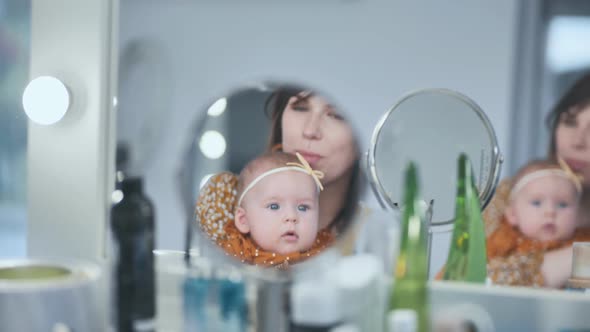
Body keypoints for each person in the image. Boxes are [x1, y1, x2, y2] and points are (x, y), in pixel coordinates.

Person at [485, 72, 590, 288]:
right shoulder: (512, 193)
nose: (578, 141)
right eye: (569, 122)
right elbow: (463, 281)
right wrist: (571, 260)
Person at [265, 85, 363, 242]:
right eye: (301, 108)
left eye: (337, 115)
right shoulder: (223, 204)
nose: (310, 131)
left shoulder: (385, 235)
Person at [486, 159, 590, 286]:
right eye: (537, 203)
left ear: (577, 216)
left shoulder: (583, 243)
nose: (550, 212)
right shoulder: (504, 245)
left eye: (563, 204)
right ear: (513, 214)